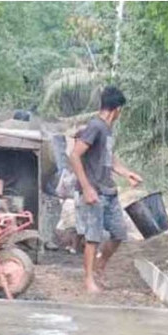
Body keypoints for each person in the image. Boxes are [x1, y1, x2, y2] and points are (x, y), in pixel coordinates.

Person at [69, 85, 143, 293]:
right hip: (94, 191)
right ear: (117, 109)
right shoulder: (95, 127)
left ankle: (100, 266)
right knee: (93, 237)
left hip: (109, 191)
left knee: (119, 233)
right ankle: (88, 279)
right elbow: (74, 155)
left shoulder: (107, 130)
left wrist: (127, 173)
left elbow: (109, 158)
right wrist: (86, 188)